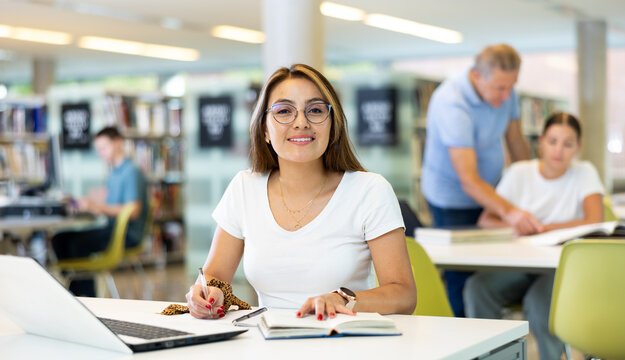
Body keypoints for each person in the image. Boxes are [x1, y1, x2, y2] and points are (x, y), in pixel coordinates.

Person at [186, 64, 416, 320]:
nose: (301, 122)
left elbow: (404, 295)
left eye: (315, 110)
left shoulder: (370, 191)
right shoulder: (244, 187)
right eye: (284, 111)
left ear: (333, 124)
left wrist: (343, 299)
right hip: (267, 343)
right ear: (264, 129)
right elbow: (214, 275)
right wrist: (208, 293)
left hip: (344, 342)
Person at [464, 112, 604, 360]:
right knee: (477, 288)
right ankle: (492, 355)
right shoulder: (519, 172)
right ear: (541, 141)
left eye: (568, 144)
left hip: (561, 269)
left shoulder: (584, 172)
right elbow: (486, 220)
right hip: (518, 265)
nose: (558, 151)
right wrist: (514, 225)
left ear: (578, 148)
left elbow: (595, 220)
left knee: (540, 303)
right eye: (552, 141)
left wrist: (544, 228)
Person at [420, 44, 538, 317]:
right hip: (452, 199)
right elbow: (469, 180)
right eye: (499, 88)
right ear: (476, 76)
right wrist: (509, 211)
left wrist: (528, 184)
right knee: (462, 274)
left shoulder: (506, 93)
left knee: (494, 266)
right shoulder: (452, 102)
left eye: (511, 86)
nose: (506, 95)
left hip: (492, 191)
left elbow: (517, 142)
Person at [52, 126, 148, 297]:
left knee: (76, 244)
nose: (101, 153)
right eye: (98, 149)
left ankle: (86, 296)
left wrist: (95, 206)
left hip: (125, 234)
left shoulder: (131, 172)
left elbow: (132, 211)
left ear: (118, 143)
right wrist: (88, 202)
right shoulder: (114, 173)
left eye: (104, 148)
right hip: (111, 229)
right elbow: (112, 202)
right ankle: (76, 290)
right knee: (59, 239)